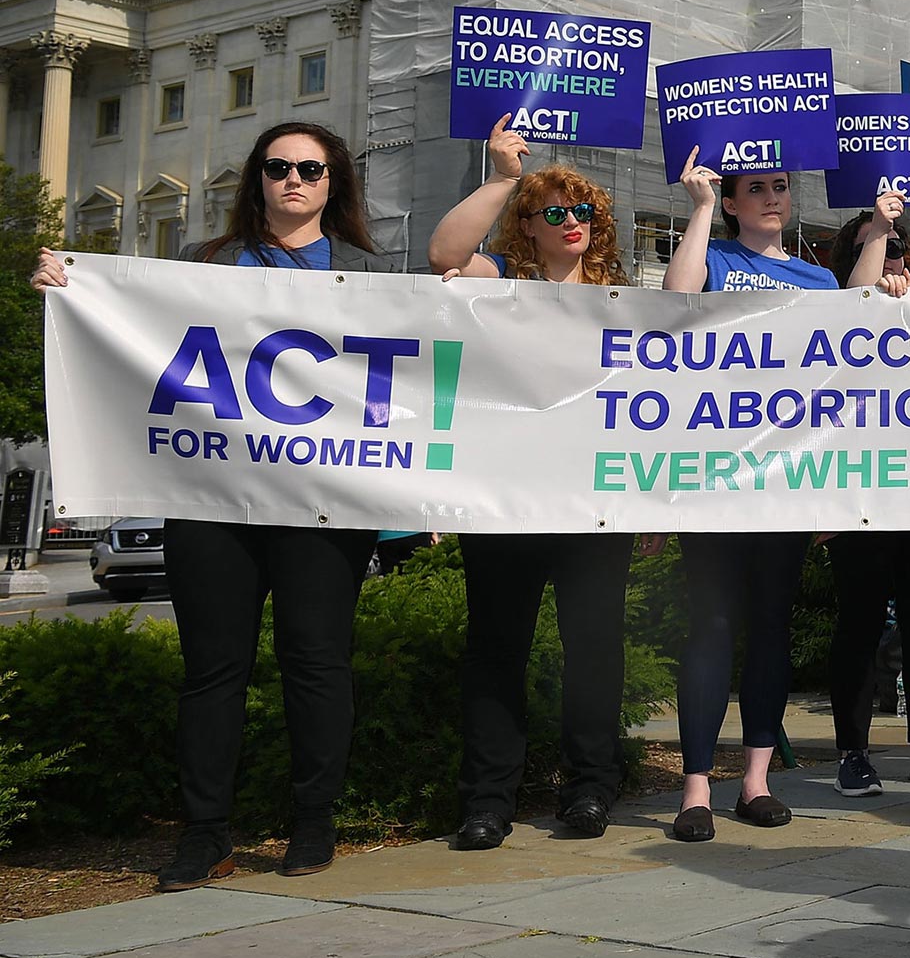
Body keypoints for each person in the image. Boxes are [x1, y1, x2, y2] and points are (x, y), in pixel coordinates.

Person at [34, 122, 389, 890]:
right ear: (257, 179)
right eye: (277, 166)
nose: (293, 179)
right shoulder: (202, 265)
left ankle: (314, 822)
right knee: (212, 670)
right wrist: (71, 293)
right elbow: (134, 330)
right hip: (212, 499)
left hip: (324, 504)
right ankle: (204, 833)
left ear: (335, 184)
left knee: (317, 662)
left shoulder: (373, 273)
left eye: (310, 168)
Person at [425, 117, 639, 848]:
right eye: (554, 211)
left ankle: (590, 789)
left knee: (594, 648)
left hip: (593, 500)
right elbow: (445, 252)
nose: (572, 221)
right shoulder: (500, 281)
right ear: (528, 224)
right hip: (505, 498)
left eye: (582, 210)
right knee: (496, 648)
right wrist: (504, 174)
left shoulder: (619, 297)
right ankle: (487, 801)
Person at [661, 155, 886, 841]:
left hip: (788, 480)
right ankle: (696, 785)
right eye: (753, 187)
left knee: (770, 628)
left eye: (779, 186)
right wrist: (699, 210)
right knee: (711, 628)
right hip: (713, 476)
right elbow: (676, 299)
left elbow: (855, 323)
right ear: (730, 200)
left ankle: (755, 780)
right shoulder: (718, 255)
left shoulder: (816, 276)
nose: (769, 197)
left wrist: (878, 230)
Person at [819, 204, 910, 793]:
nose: (894, 258)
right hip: (857, 497)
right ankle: (852, 750)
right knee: (860, 624)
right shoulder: (833, 309)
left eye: (900, 248)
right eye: (880, 247)